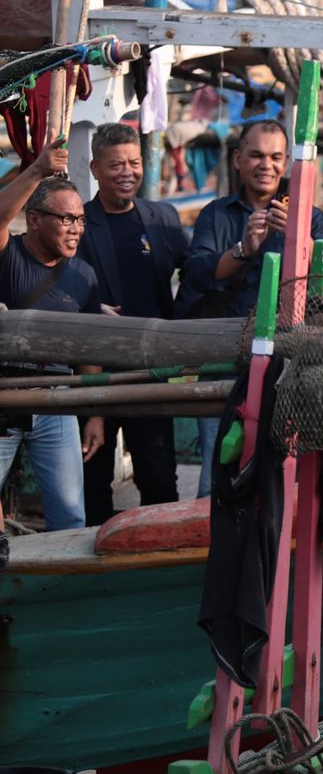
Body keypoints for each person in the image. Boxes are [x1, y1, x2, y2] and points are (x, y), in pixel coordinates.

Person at [177, 119, 323, 497]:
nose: (265, 165)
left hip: (290, 361)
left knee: (285, 468)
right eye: (256, 155)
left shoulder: (310, 218)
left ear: (286, 165)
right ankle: (210, 543)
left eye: (275, 157)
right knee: (216, 469)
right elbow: (199, 274)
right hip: (226, 356)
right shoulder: (217, 215)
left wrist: (303, 242)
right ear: (238, 159)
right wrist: (244, 250)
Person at [77, 121, 189, 524]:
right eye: (115, 165)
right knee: (95, 479)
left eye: (134, 162)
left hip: (152, 371)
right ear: (94, 169)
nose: (128, 172)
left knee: (159, 477)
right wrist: (91, 307)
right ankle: (97, 566)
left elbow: (196, 274)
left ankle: (161, 552)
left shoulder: (162, 217)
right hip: (97, 371)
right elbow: (60, 287)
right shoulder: (79, 224)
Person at [0, 151, 105, 530]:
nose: (76, 228)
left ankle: (65, 588)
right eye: (66, 219)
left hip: (57, 402)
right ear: (33, 220)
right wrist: (37, 170)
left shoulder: (84, 276)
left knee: (70, 516)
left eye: (80, 219)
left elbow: (88, 347)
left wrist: (94, 413)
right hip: (4, 400)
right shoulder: (7, 256)